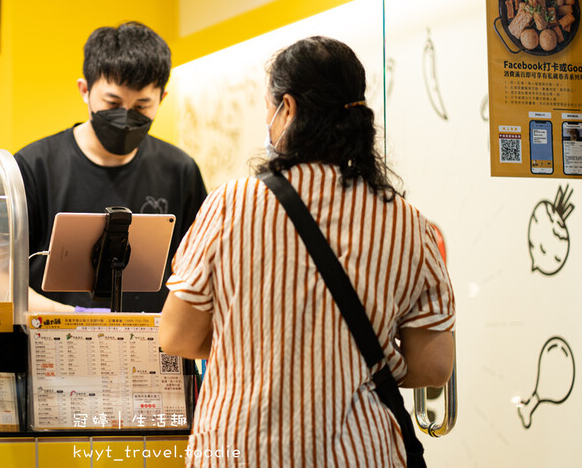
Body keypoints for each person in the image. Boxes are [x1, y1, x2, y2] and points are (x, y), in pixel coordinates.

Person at [159, 36, 455, 467]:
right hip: (360, 454)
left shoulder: (231, 205)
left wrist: (251, 345)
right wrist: (348, 359)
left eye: (268, 107)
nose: (268, 119)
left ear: (288, 109)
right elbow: (433, 367)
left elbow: (177, 336)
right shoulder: (408, 222)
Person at [15, 21, 208, 313]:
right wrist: (83, 321)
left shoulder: (180, 171)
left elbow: (200, 274)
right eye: (113, 102)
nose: (126, 117)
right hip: (53, 350)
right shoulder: (33, 166)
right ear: (85, 90)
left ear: (162, 99)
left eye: (141, 106)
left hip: (152, 351)